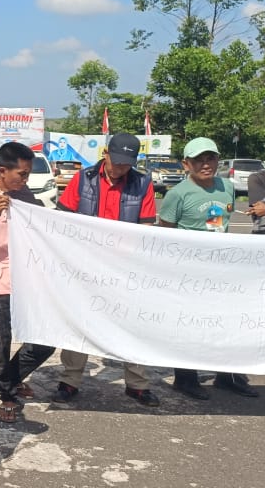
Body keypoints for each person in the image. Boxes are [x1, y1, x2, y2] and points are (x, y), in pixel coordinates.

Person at [50, 132, 160, 407]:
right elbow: (64, 219)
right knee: (81, 321)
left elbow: (146, 226)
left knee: (130, 324)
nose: (120, 168)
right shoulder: (83, 179)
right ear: (106, 153)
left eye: (127, 164)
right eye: (117, 161)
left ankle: (137, 384)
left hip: (125, 268)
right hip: (85, 264)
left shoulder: (143, 182)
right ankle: (70, 380)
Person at [158, 137, 258, 400]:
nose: (206, 164)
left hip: (221, 271)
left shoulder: (227, 186)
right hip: (188, 274)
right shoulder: (176, 194)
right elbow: (165, 235)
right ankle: (185, 378)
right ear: (186, 163)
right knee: (189, 326)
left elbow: (222, 222)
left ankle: (227, 377)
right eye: (199, 160)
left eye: (210, 158)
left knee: (226, 324)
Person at [0, 142, 54, 423]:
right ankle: (6, 396)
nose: (25, 179)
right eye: (22, 174)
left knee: (44, 341)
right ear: (3, 171)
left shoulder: (26, 197)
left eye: (28, 174)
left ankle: (10, 379)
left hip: (29, 283)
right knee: (0, 345)